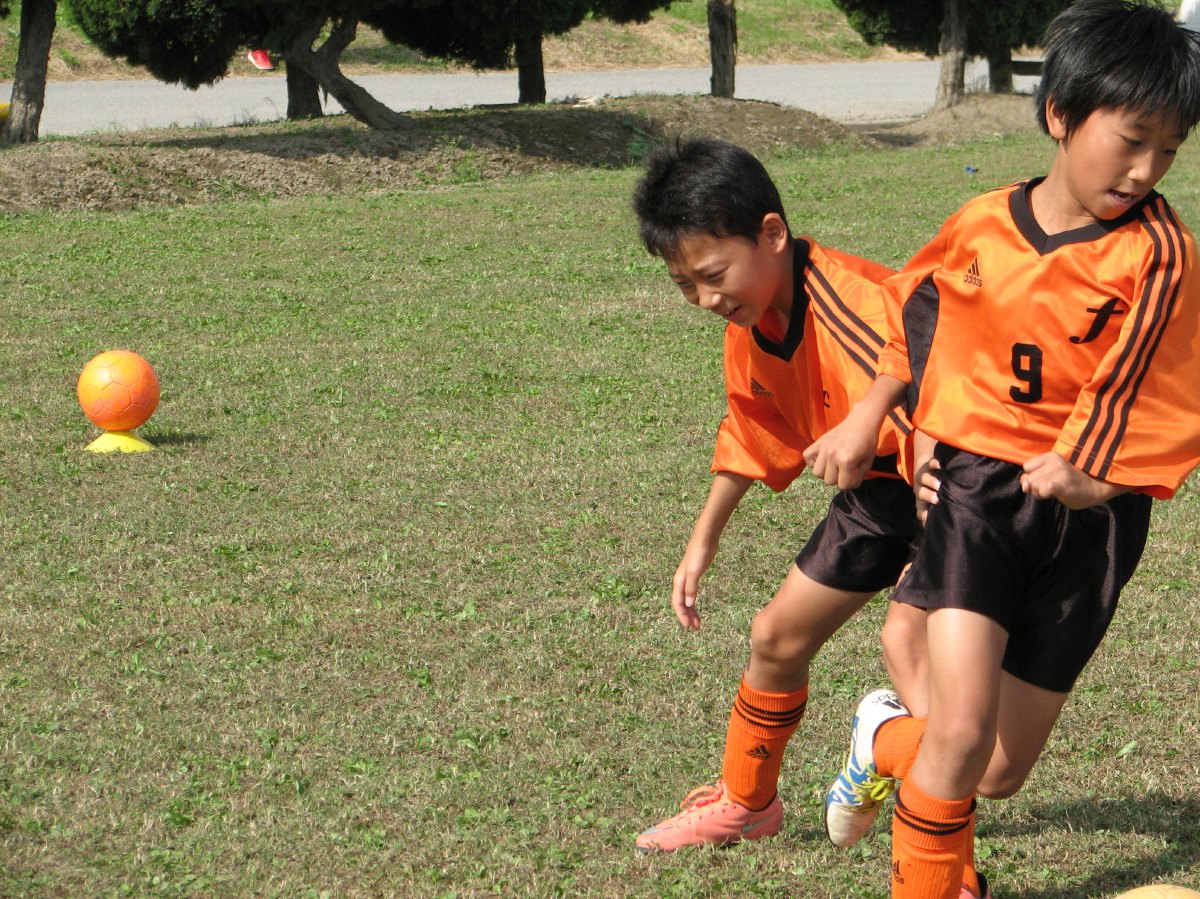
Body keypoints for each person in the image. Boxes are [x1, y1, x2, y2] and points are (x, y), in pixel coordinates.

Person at [805, 2, 1200, 897]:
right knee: (959, 735)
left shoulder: (1160, 255)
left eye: (1169, 151)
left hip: (1093, 521)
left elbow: (1159, 383)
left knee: (996, 767)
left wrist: (1093, 475)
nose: (1145, 170)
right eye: (1132, 140)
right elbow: (917, 315)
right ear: (1060, 113)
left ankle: (881, 737)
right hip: (979, 494)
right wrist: (882, 418)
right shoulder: (982, 224)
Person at [630, 136, 928, 852]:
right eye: (684, 285)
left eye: (712, 275)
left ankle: (900, 776)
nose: (705, 299)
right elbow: (751, 428)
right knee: (775, 637)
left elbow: (935, 407)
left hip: (945, 486)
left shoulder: (858, 304)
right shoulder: (753, 316)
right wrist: (702, 541)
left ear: (771, 234)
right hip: (879, 491)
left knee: (924, 665)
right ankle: (747, 803)